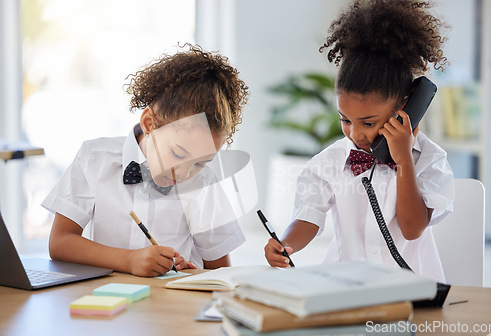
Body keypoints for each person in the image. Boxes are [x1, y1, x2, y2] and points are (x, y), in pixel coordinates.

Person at [264, 0, 454, 282]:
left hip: (413, 290)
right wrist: (286, 244)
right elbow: (308, 216)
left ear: (406, 107)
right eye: (345, 119)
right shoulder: (330, 162)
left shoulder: (429, 160)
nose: (355, 134)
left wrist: (403, 161)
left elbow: (412, 229)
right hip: (347, 287)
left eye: (368, 122)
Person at [42, 44, 249, 277]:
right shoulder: (94, 158)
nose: (184, 173)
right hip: (105, 300)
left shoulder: (202, 184)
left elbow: (220, 274)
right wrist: (129, 260)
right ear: (150, 124)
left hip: (168, 306)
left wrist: (191, 275)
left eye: (200, 163)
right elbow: (60, 243)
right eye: (179, 154)